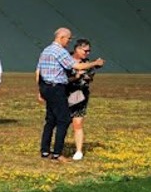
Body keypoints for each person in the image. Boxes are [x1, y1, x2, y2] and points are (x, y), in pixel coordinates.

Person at [37, 28, 103, 162]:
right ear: (61, 37)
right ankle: (57, 153)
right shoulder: (59, 51)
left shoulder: (46, 50)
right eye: (68, 39)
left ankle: (45, 151)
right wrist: (95, 63)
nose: (68, 42)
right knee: (64, 120)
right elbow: (76, 66)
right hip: (57, 88)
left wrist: (40, 90)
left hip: (46, 86)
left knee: (50, 120)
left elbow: (38, 71)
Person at [67, 38, 101, 161]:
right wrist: (75, 76)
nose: (87, 53)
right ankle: (57, 149)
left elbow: (87, 78)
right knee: (62, 123)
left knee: (78, 123)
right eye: (85, 51)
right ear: (77, 49)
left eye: (89, 51)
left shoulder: (89, 64)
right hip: (63, 95)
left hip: (80, 96)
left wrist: (80, 76)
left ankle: (78, 151)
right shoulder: (65, 58)